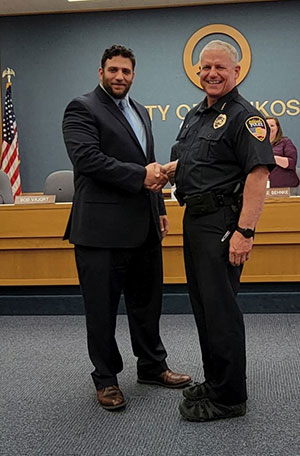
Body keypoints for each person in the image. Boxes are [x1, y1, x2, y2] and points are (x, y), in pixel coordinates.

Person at [62, 45, 191, 411]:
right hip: (100, 232)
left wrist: (159, 206)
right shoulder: (81, 108)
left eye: (126, 72)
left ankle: (152, 366)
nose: (120, 77)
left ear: (133, 75)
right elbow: (87, 159)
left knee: (148, 304)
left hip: (144, 227)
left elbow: (146, 162)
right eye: (114, 70)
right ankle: (105, 379)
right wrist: (141, 176)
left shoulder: (140, 111)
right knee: (101, 310)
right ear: (100, 71)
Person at [163, 40, 275, 422]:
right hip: (194, 221)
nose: (212, 73)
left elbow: (258, 176)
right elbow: (197, 161)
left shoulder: (246, 117)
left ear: (236, 72)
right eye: (206, 67)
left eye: (220, 68)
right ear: (198, 71)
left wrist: (246, 231)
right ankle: (215, 380)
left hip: (223, 224)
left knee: (222, 311)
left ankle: (229, 397)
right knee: (204, 309)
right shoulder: (197, 115)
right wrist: (168, 170)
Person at [266, 116, 299, 188]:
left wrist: (272, 158)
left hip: (287, 188)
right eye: (266, 126)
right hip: (264, 188)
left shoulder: (285, 142)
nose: (269, 128)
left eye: (272, 125)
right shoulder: (258, 145)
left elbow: (292, 162)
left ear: (277, 128)